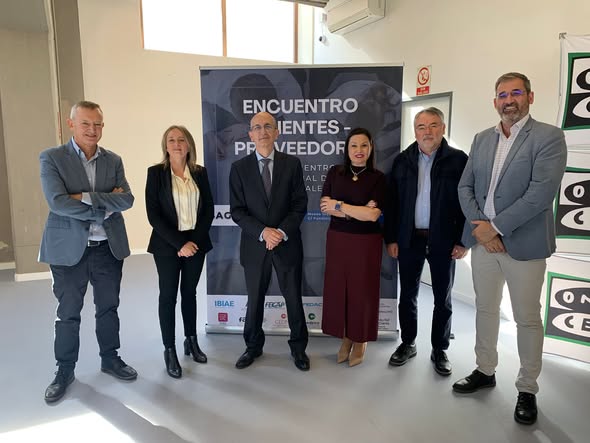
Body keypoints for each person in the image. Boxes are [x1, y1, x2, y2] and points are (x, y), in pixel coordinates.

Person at [453, 73, 567, 426]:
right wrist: (483, 231)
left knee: (527, 318)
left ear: (530, 97)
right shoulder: (481, 139)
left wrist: (496, 227)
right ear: (495, 102)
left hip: (525, 245)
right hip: (484, 244)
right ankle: (485, 369)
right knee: (485, 309)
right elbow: (465, 187)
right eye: (502, 95)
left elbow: (540, 193)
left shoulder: (549, 137)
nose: (509, 100)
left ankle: (527, 388)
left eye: (516, 92)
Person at [39, 101, 137, 403]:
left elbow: (127, 199)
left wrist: (82, 197)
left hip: (108, 248)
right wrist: (103, 206)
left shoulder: (114, 160)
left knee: (108, 308)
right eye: (85, 123)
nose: (92, 130)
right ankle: (64, 370)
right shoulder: (52, 158)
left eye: (97, 124)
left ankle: (110, 358)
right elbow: (58, 202)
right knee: (68, 313)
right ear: (71, 124)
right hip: (69, 250)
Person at [384, 108, 468, 376]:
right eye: (421, 126)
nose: (427, 131)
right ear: (415, 131)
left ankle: (439, 348)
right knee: (408, 295)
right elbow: (392, 204)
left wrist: (463, 241)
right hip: (410, 239)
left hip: (444, 240)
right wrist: (391, 238)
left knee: (443, 297)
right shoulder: (402, 161)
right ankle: (408, 343)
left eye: (433, 125)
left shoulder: (459, 160)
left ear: (443, 128)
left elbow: (468, 204)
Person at [229, 111, 310, 371]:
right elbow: (237, 211)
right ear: (250, 135)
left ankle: (299, 349)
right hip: (255, 246)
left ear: (277, 132)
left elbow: (299, 205)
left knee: (293, 299)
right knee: (254, 300)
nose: (262, 131)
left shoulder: (292, 164)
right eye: (257, 127)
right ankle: (253, 347)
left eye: (267, 126)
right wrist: (264, 232)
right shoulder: (239, 168)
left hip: (287, 244)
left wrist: (280, 232)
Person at [145, 125, 214, 379]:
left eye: (181, 139)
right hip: (167, 245)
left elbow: (208, 209)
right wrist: (179, 244)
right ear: (166, 146)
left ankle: (191, 340)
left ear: (189, 145)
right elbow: (154, 215)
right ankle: (169, 350)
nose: (176, 144)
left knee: (189, 293)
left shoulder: (200, 173)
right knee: (168, 296)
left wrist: (192, 242)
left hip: (196, 243)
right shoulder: (155, 173)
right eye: (171, 140)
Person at [319, 128, 386, 366]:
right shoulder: (335, 173)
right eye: (354, 145)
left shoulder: (378, 178)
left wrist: (339, 206)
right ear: (347, 149)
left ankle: (360, 339)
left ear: (371, 148)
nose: (359, 150)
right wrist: (357, 210)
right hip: (338, 240)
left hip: (366, 242)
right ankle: (346, 337)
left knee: (362, 291)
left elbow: (372, 216)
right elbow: (324, 206)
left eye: (364, 145)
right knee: (340, 290)